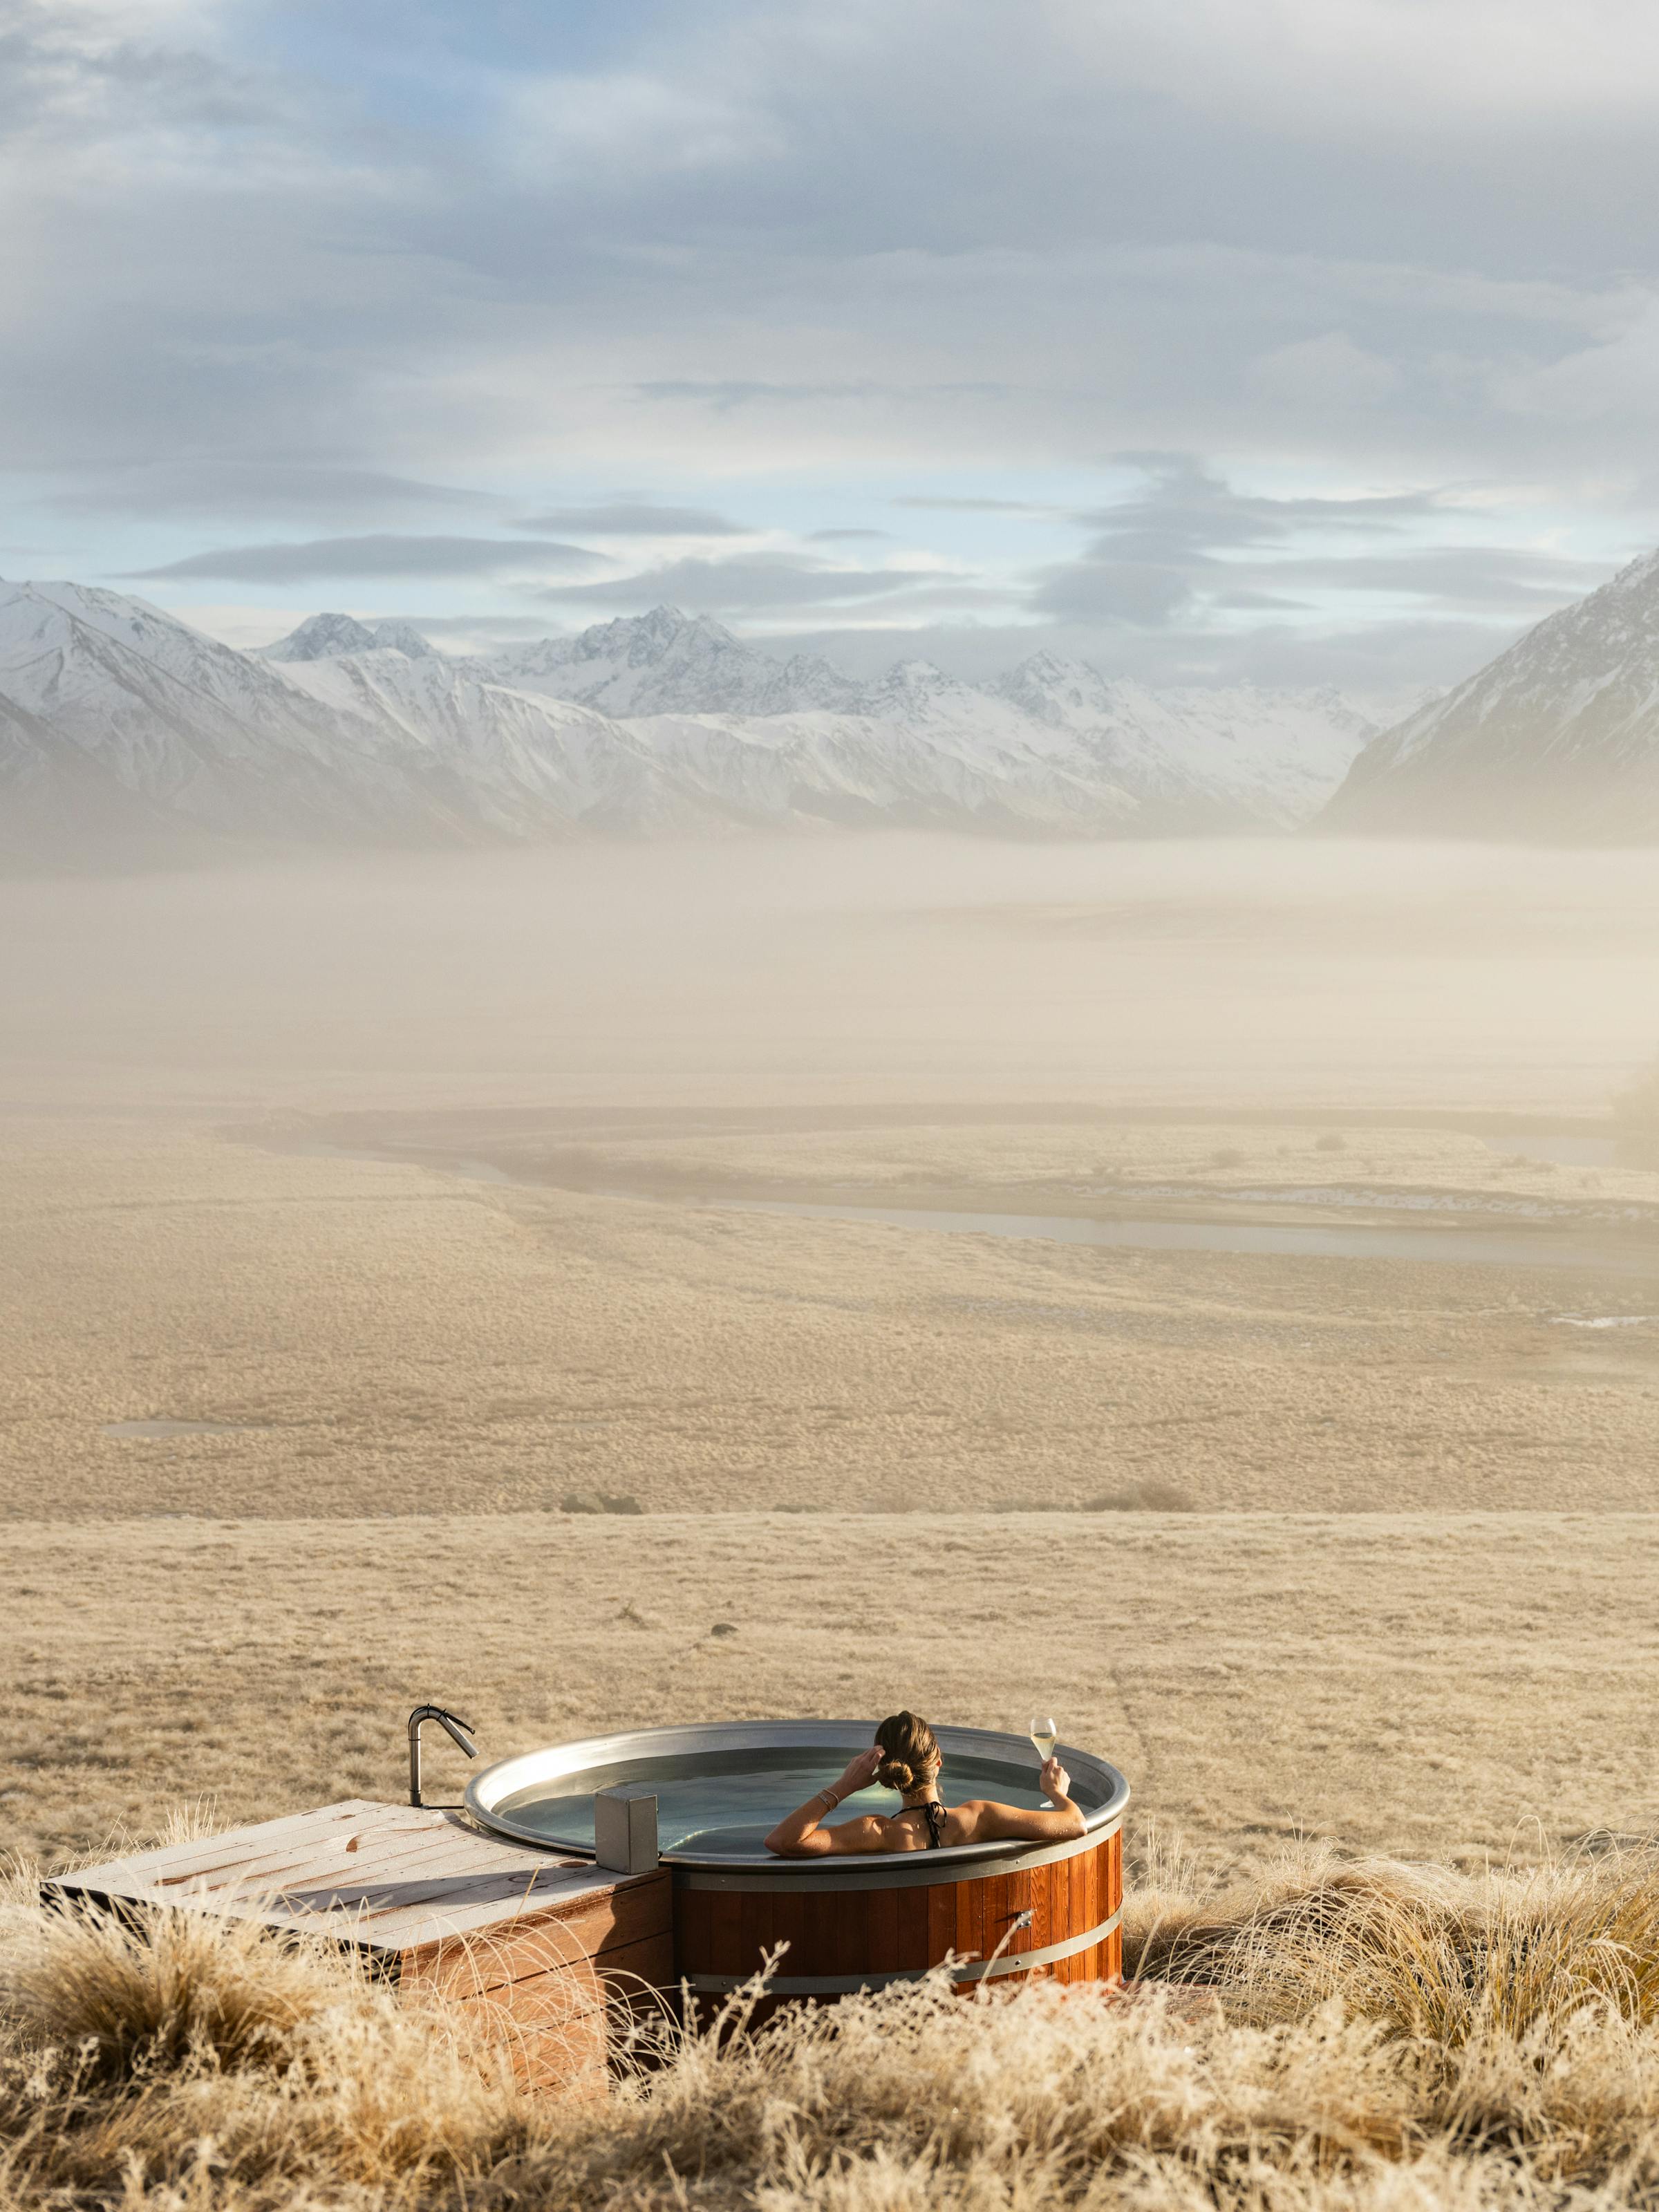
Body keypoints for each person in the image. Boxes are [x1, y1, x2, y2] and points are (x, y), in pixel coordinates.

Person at [764, 1709, 1086, 1857]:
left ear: (885, 1775)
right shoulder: (979, 1818)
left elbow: (783, 1841)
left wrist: (843, 1787)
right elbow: (1075, 1824)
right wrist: (1057, 1794)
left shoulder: (878, 1833)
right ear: (938, 1761)